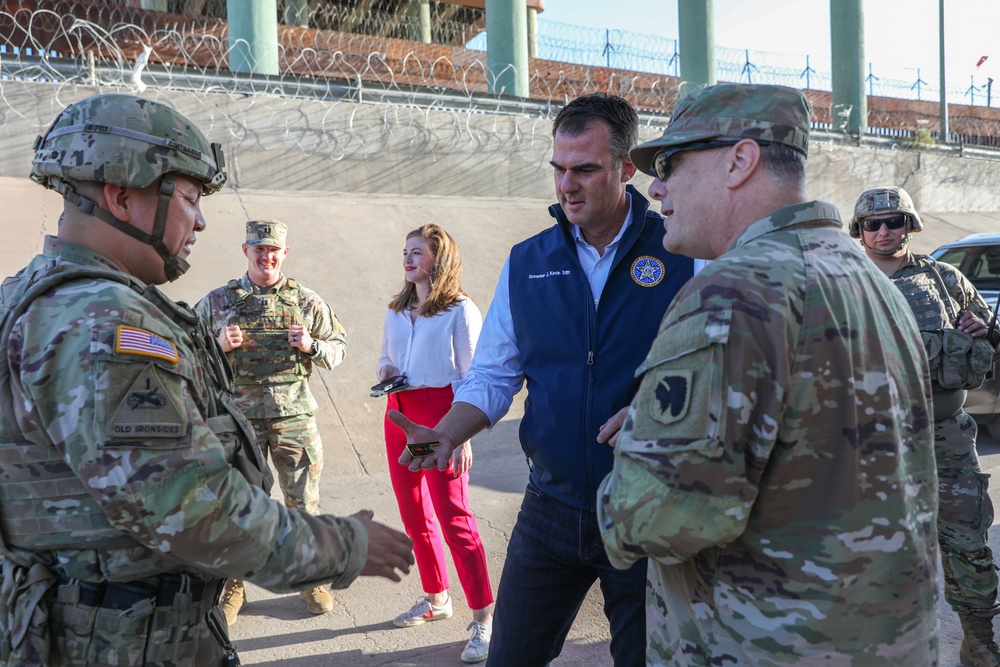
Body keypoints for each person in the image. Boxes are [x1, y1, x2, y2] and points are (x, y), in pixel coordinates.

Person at [0, 93, 413, 665]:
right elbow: (194, 510)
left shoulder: (28, 295)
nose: (199, 220)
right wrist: (345, 545)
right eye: (190, 198)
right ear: (121, 196)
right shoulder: (106, 322)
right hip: (121, 641)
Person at [596, 83, 939, 665]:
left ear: (739, 161)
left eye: (672, 164)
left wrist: (640, 446)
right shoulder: (868, 278)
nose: (655, 187)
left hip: (763, 644)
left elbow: (655, 517)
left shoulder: (732, 292)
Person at [388, 92, 695, 666]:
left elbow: (719, 364)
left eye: (585, 169)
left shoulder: (682, 251)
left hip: (647, 509)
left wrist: (664, 407)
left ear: (627, 170)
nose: (567, 185)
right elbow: (493, 374)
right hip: (550, 507)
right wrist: (450, 432)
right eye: (558, 169)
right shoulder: (528, 260)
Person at [851, 185, 1000, 666]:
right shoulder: (839, 284)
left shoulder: (946, 280)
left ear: (909, 225)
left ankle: (979, 641)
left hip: (944, 435)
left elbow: (988, 336)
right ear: (859, 231)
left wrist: (981, 331)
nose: (883, 231)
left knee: (968, 541)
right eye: (872, 224)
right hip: (867, 442)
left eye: (893, 221)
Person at [194, 217, 348, 623]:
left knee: (302, 504)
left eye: (273, 249)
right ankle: (233, 585)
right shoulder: (216, 303)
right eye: (258, 248)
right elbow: (186, 356)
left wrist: (312, 345)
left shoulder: (306, 301)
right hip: (238, 424)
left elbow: (338, 348)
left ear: (284, 253)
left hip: (293, 418)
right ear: (246, 250)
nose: (266, 256)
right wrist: (216, 345)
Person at [377, 223, 494, 664]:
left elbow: (474, 376)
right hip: (399, 414)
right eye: (404, 251)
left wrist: (461, 434)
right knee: (414, 514)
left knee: (453, 518)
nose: (407, 259)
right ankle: (436, 597)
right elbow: (385, 358)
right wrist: (387, 371)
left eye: (416, 252)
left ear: (437, 259)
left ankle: (483, 618)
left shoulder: (460, 310)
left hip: (442, 415)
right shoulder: (395, 309)